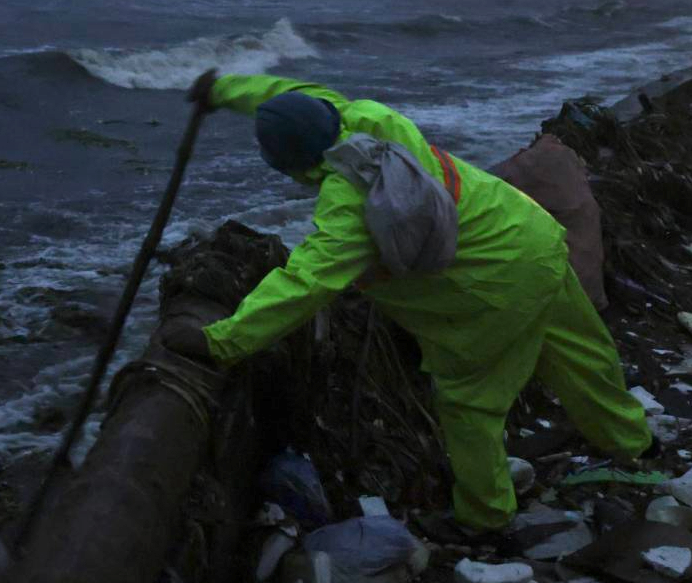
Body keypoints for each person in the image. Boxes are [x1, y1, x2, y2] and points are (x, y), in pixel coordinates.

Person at [167, 69, 654, 535]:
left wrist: (221, 342)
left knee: (469, 405)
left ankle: (486, 518)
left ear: (291, 167)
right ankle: (636, 444)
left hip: (494, 291)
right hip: (531, 236)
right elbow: (288, 92)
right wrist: (224, 90)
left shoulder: (350, 205)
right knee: (582, 354)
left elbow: (304, 283)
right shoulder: (364, 116)